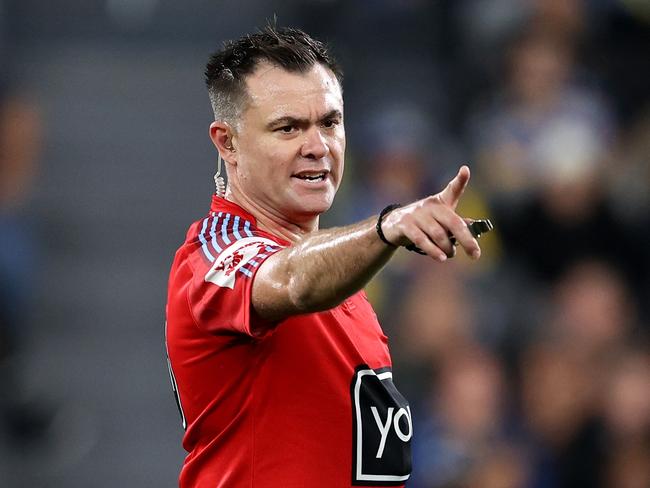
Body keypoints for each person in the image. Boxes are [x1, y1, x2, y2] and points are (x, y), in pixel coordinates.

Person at [165, 25, 482, 488]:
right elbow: (292, 281)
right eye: (288, 127)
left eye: (330, 122)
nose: (318, 147)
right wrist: (386, 226)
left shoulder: (347, 283)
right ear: (227, 142)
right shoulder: (214, 255)